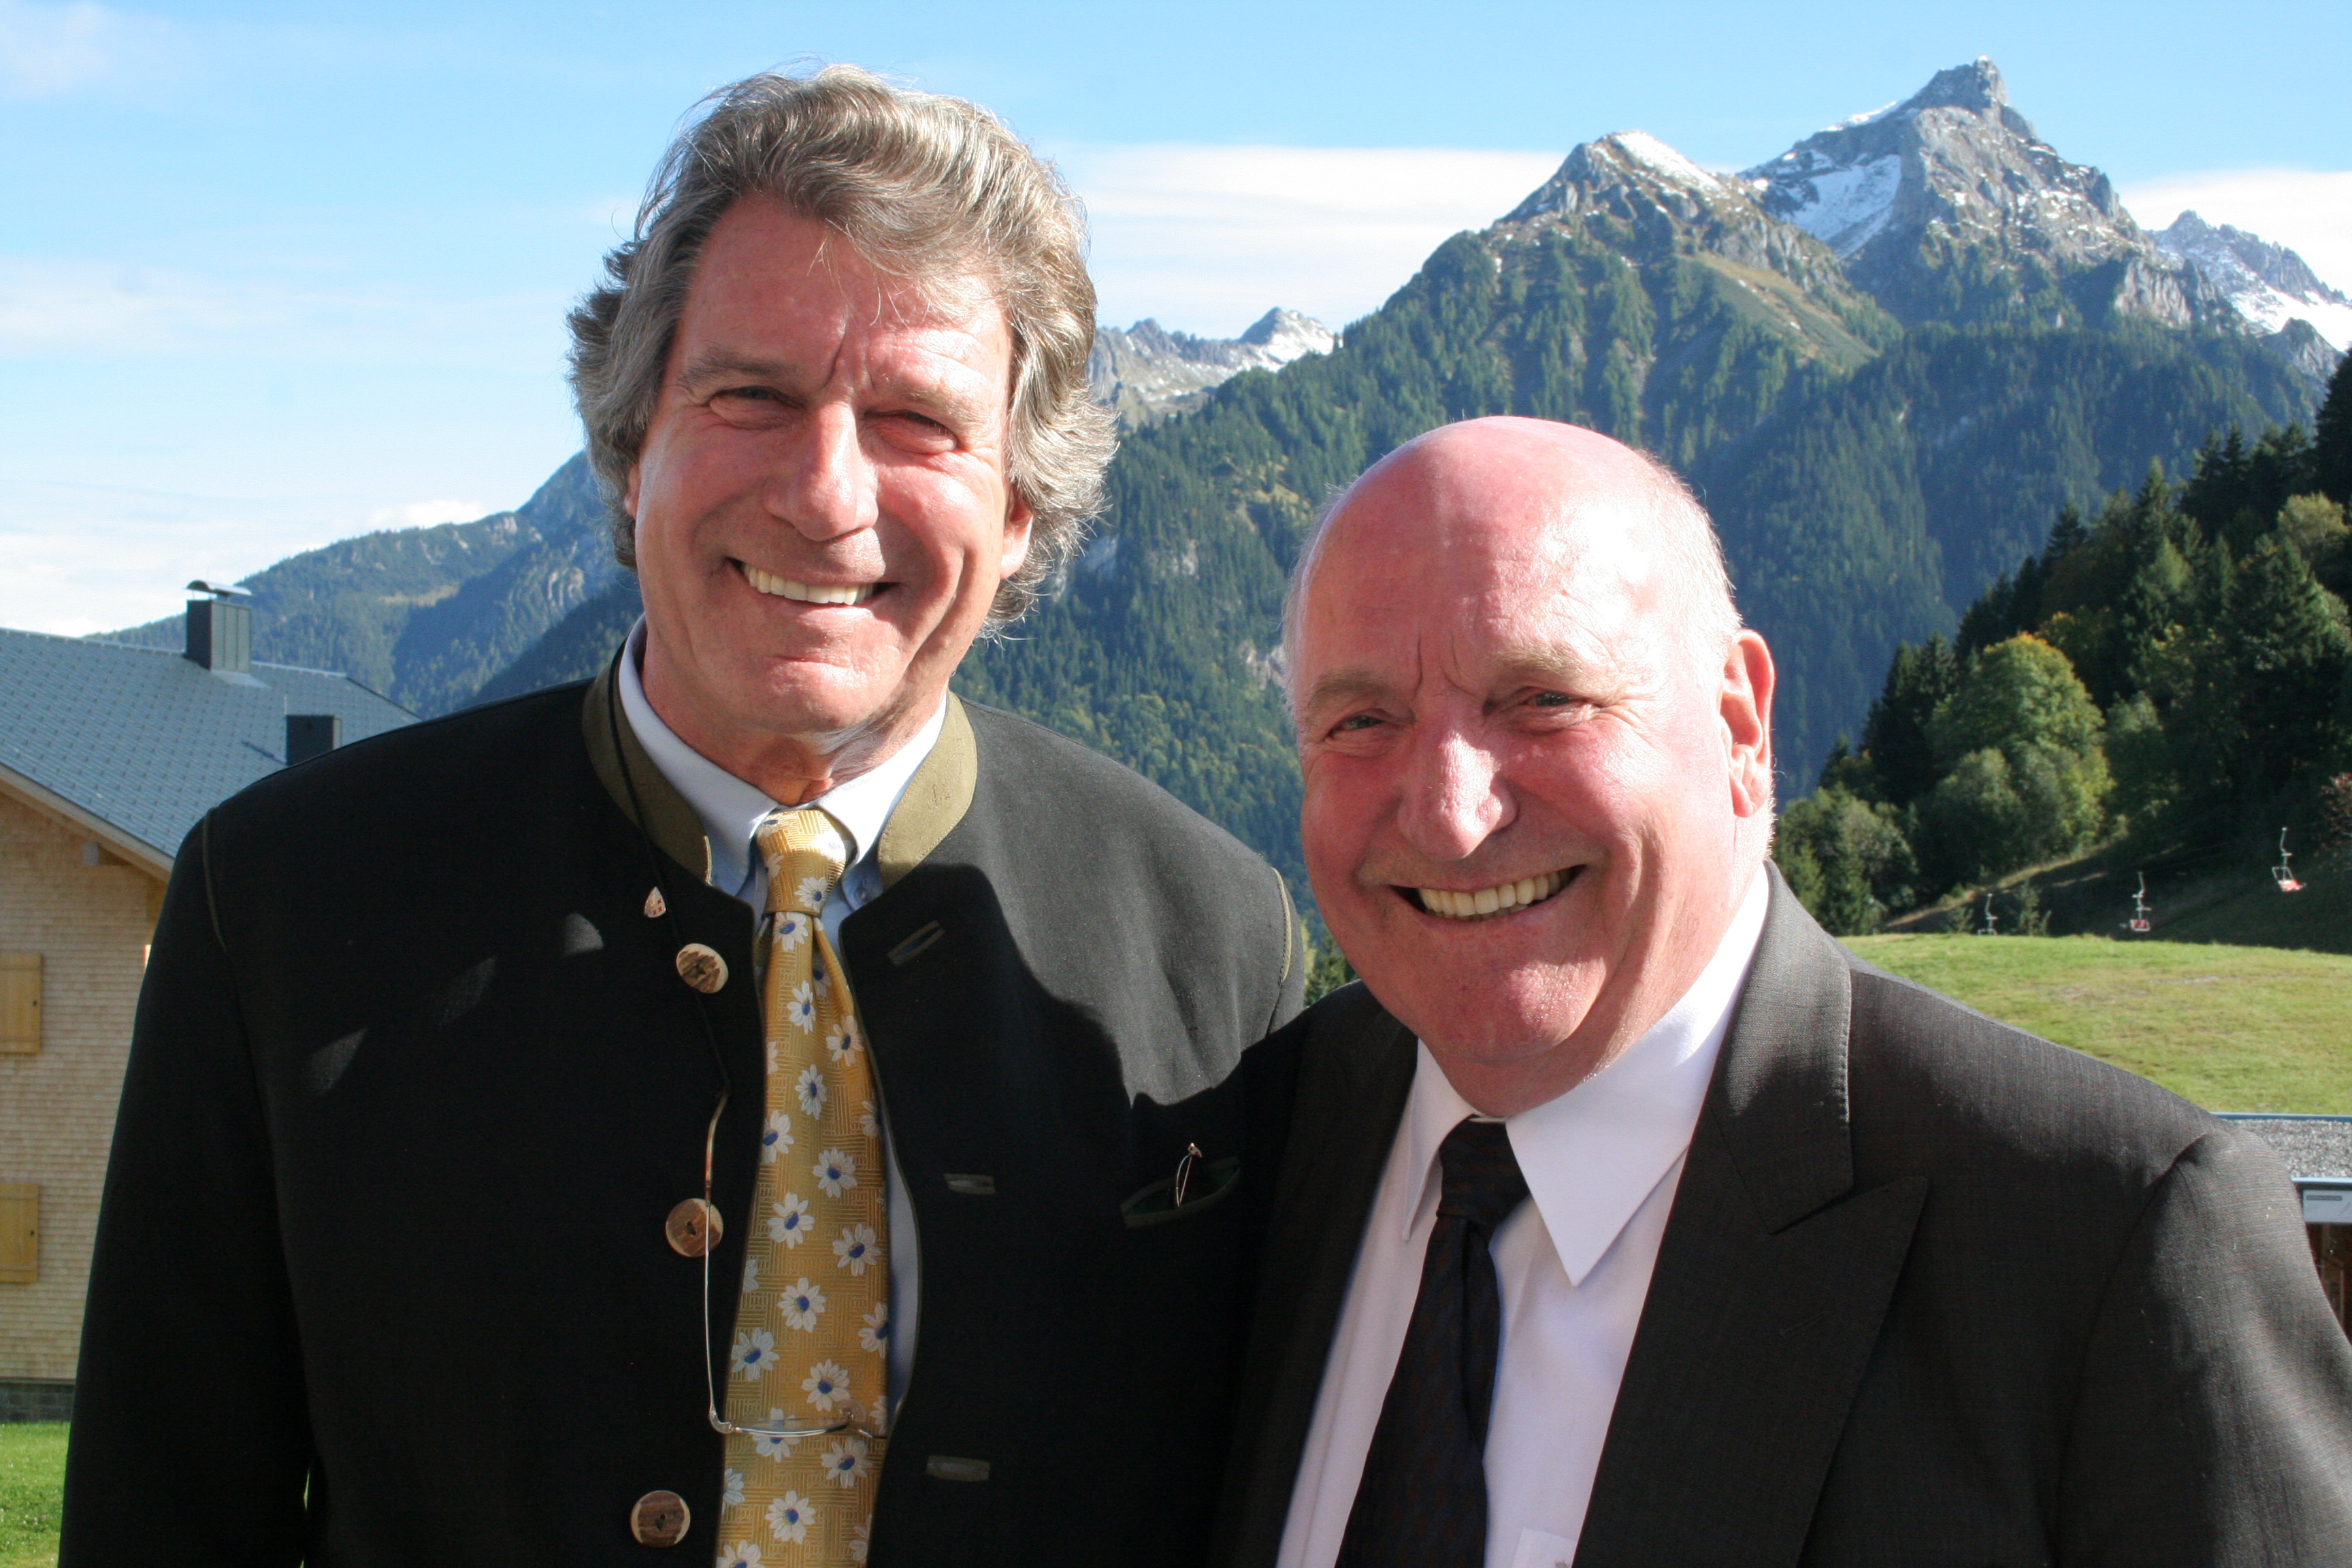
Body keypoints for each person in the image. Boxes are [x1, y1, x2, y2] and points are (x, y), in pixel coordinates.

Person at [64, 67, 1302, 1567]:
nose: (826, 495)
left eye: (917, 420)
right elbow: (163, 1517)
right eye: (751, 395)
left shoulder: (1211, 934)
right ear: (630, 443)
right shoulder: (281, 902)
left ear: (1020, 507)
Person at [1213, 416, 2352, 1568]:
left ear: (1741, 723)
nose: (1451, 818)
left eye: (1541, 697)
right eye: (1363, 721)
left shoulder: (2112, 1244)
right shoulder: (1253, 1143)